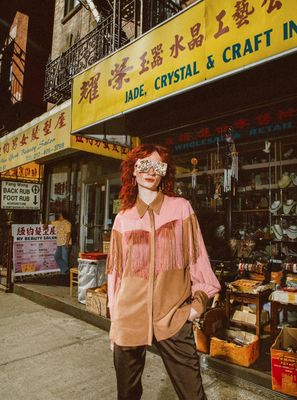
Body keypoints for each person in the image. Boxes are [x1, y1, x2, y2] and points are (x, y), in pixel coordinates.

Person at [106, 144, 221, 400]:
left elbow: (198, 259)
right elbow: (115, 276)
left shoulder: (180, 208)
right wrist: (115, 323)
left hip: (173, 317)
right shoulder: (123, 218)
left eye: (158, 166)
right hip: (128, 320)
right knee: (127, 396)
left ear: (164, 173)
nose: (151, 171)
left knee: (193, 395)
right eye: (144, 165)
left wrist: (197, 306)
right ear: (133, 172)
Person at [46, 211, 72, 275]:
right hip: (59, 243)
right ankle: (66, 270)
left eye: (60, 215)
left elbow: (69, 233)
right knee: (56, 257)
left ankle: (64, 273)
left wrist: (67, 243)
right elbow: (50, 222)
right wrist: (46, 224)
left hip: (65, 243)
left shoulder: (67, 223)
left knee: (64, 258)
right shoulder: (57, 222)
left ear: (63, 216)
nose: (59, 216)